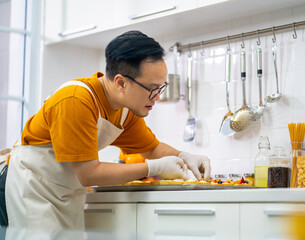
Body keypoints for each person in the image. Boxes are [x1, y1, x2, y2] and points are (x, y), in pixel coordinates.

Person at [4, 31, 211, 229]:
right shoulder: (76, 100)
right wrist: (153, 168)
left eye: (161, 87)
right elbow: (89, 173)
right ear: (121, 82)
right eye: (152, 89)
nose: (157, 96)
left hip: (66, 193)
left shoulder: (125, 110)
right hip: (33, 189)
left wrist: (185, 156)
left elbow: (152, 148)